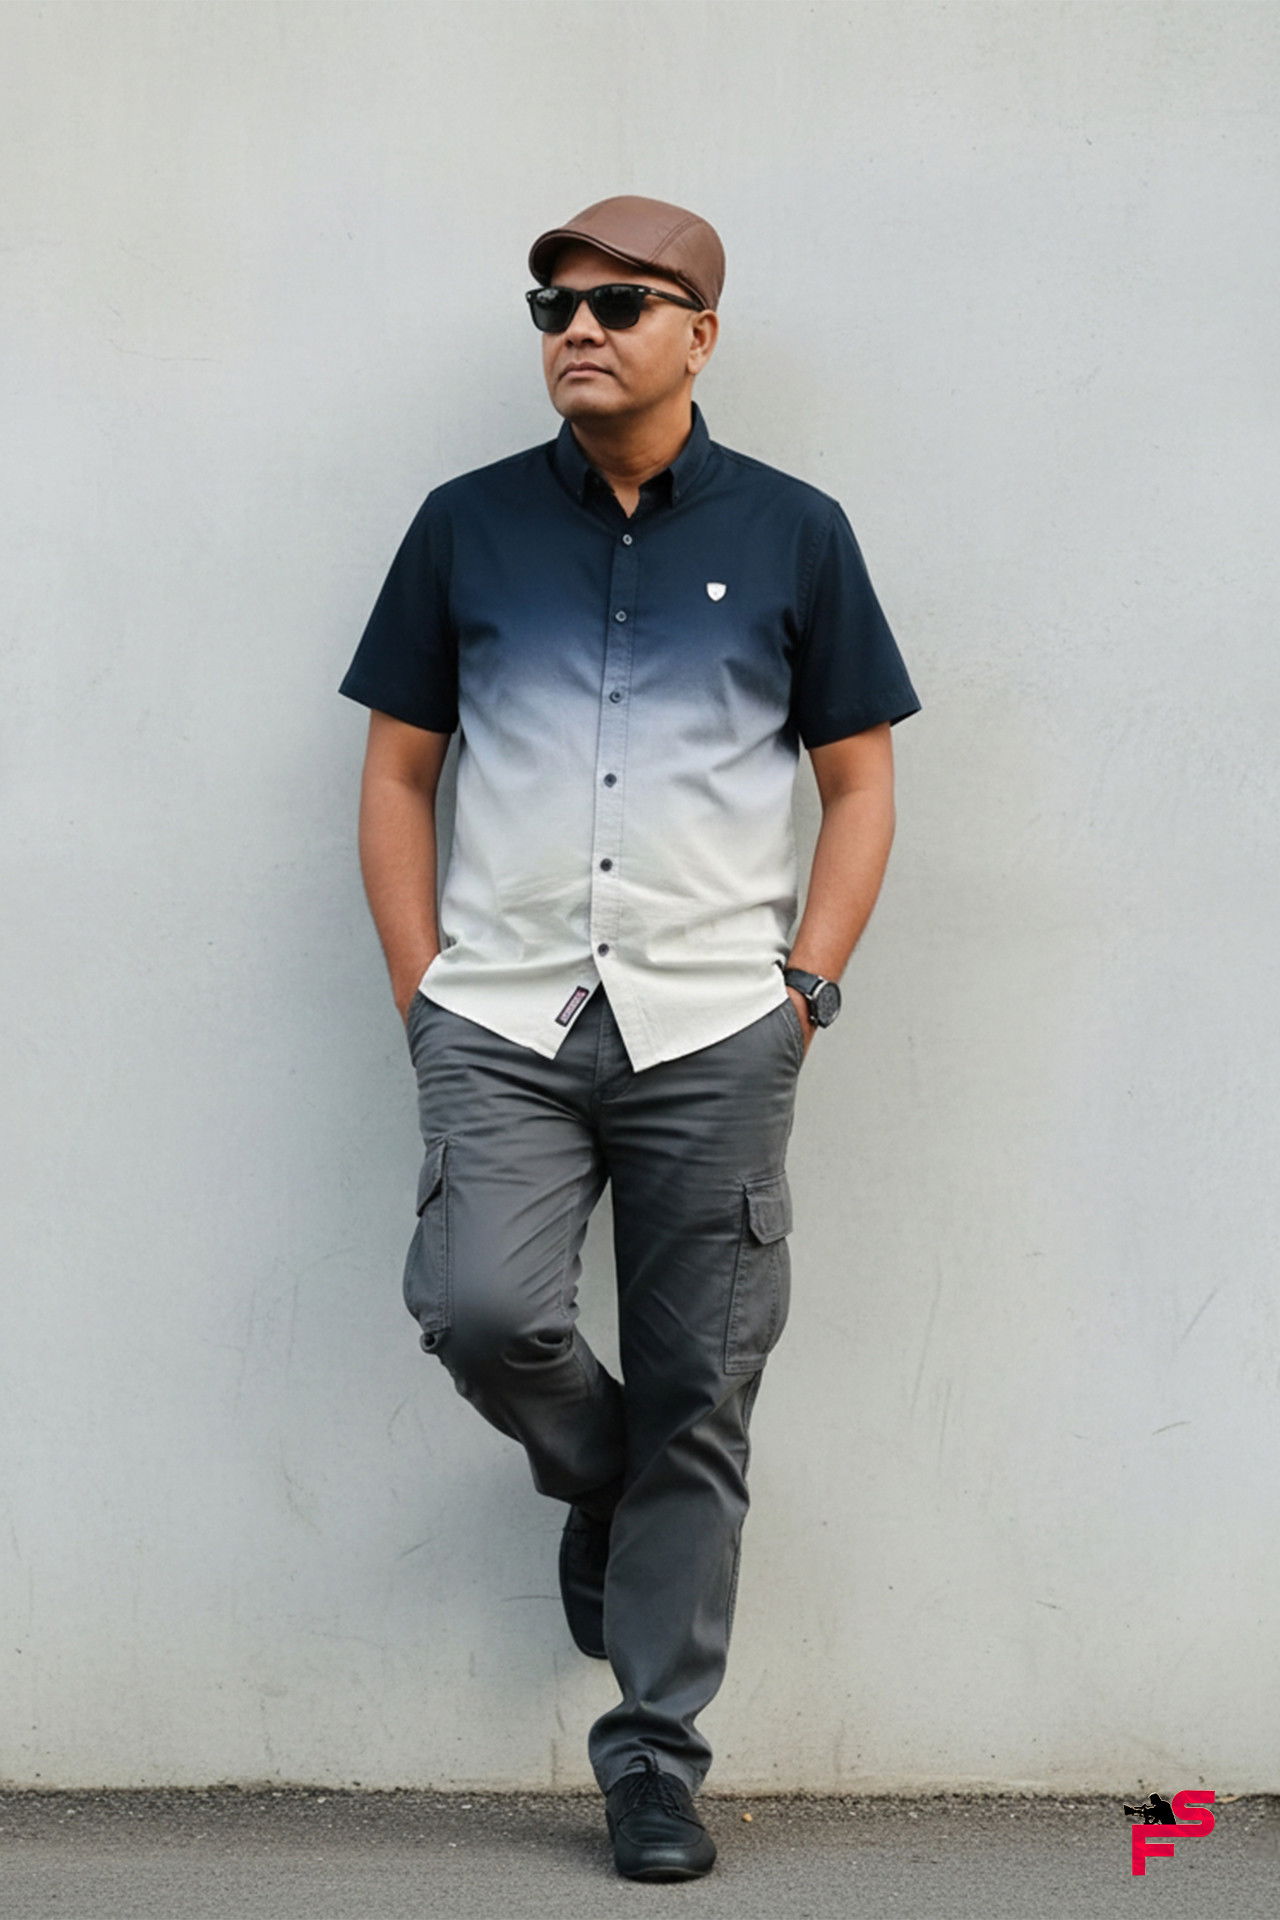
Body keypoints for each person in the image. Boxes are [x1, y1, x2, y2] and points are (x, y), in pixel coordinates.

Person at [338, 193, 922, 1881]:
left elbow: (861, 783)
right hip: (501, 1015)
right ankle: (602, 1484)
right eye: (554, 307)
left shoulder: (798, 533)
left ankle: (655, 1756)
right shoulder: (463, 527)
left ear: (699, 335)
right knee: (483, 1310)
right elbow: (397, 773)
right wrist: (421, 987)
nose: (578, 329)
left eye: (619, 303)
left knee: (702, 1392)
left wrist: (806, 988)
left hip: (718, 1026)